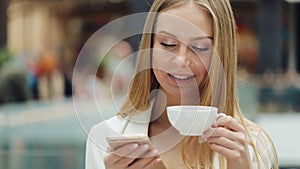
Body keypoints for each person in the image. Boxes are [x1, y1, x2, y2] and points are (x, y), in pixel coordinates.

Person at [85, 0, 278, 169]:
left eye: (199, 47)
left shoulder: (253, 147)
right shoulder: (105, 139)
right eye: (168, 44)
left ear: (221, 53)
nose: (181, 60)